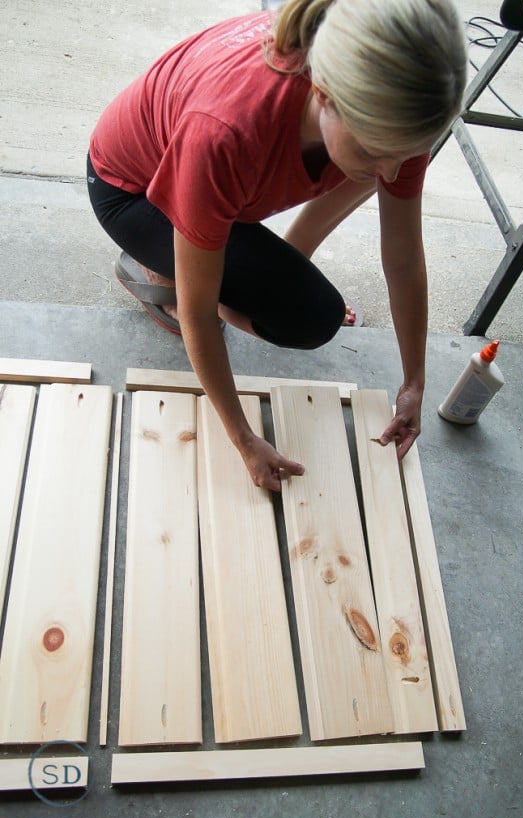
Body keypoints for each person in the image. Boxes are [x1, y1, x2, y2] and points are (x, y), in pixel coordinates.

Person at [87, 0, 467, 491]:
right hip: (131, 190)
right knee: (305, 318)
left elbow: (403, 256)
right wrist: (245, 440)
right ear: (325, 94)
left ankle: (217, 253)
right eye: (378, 150)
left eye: (405, 153)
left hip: (218, 174)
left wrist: (414, 382)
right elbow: (200, 315)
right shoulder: (228, 133)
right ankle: (157, 269)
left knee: (361, 181)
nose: (394, 172)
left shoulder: (393, 115)